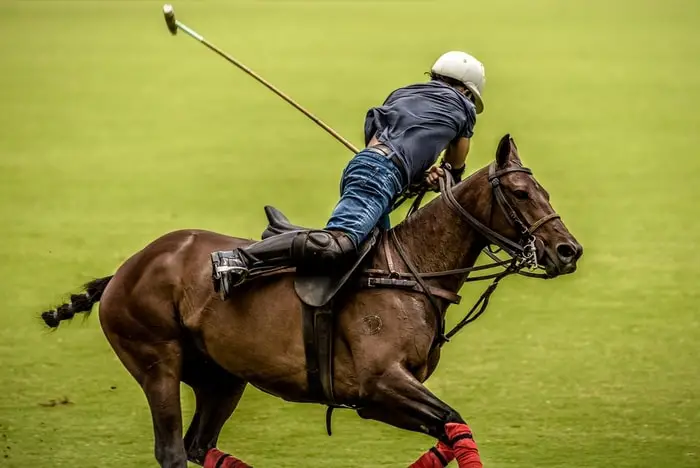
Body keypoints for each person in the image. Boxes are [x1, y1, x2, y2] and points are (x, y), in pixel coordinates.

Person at [211, 51, 486, 298]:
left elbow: (386, 140)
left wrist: (419, 175)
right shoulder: (464, 108)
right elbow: (455, 164)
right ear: (464, 88)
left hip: (365, 166)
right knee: (339, 242)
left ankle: (285, 236)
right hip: (380, 176)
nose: (469, 101)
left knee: (379, 258)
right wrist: (446, 176)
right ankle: (239, 258)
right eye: (470, 95)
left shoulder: (402, 94)